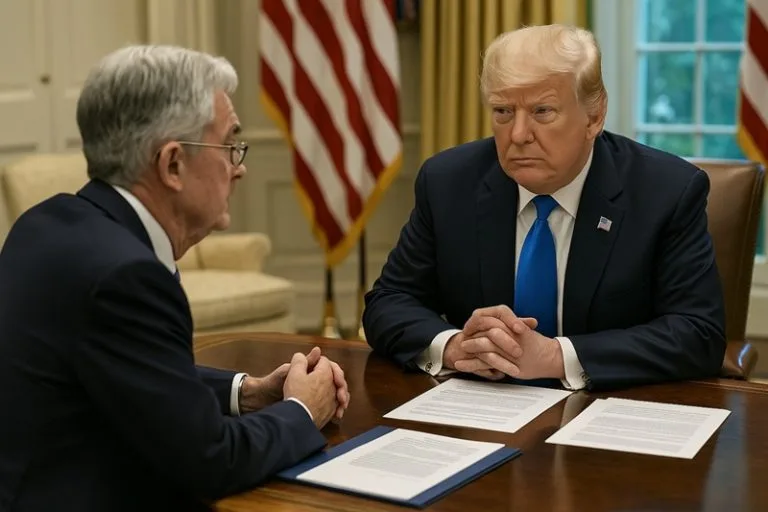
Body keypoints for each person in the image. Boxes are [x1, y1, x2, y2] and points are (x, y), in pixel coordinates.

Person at [0, 45, 350, 511]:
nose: (240, 167)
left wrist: (246, 393)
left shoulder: (45, 223)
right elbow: (211, 461)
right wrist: (302, 410)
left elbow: (130, 370)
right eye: (229, 145)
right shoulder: (127, 275)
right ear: (172, 165)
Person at [363, 24, 725, 391]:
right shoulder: (448, 182)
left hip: (608, 409)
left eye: (542, 111)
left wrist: (556, 356)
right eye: (503, 111)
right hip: (482, 407)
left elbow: (699, 333)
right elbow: (389, 302)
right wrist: (457, 347)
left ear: (594, 116)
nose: (518, 134)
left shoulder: (665, 192)